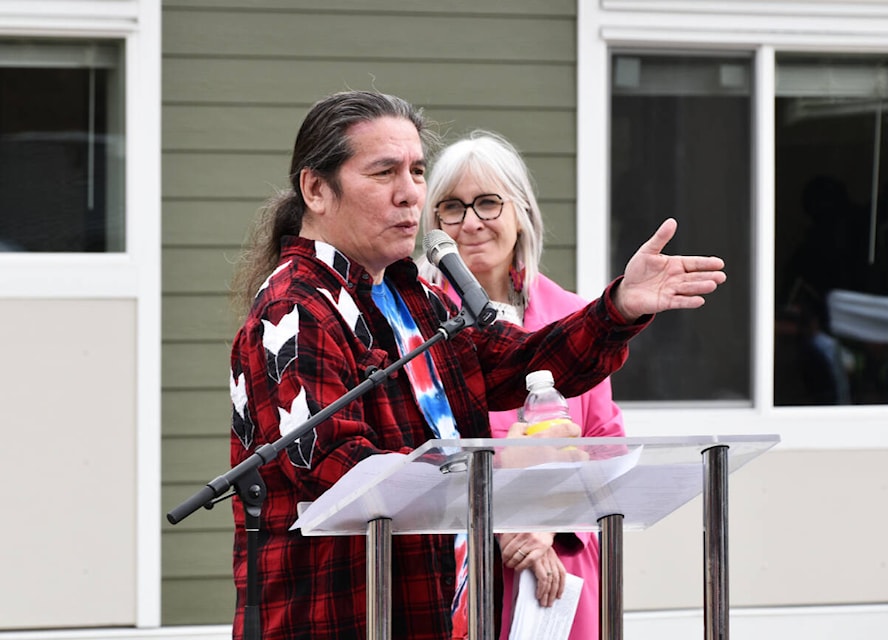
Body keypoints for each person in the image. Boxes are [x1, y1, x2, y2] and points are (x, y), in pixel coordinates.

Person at [227, 89, 726, 640]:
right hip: (345, 619)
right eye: (384, 172)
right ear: (317, 189)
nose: (409, 194)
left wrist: (619, 307)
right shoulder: (294, 309)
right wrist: (498, 475)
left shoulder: (415, 296)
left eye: (417, 171)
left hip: (447, 615)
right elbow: (340, 469)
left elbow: (523, 362)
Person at [417, 130, 626, 639]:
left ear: (521, 213)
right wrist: (508, 527)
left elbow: (606, 448)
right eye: (451, 208)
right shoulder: (417, 327)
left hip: (558, 572)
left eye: (488, 203)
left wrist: (545, 529)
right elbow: (417, 454)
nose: (471, 223)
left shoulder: (573, 318)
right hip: (455, 573)